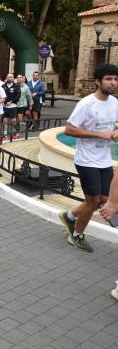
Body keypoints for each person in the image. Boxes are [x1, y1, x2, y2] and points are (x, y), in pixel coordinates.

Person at [58, 63, 118, 253]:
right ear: (97, 82)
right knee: (92, 201)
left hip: (104, 159)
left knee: (105, 198)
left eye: (116, 79)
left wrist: (115, 132)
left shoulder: (115, 103)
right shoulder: (86, 103)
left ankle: (69, 216)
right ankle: (76, 235)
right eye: (108, 79)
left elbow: (114, 126)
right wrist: (100, 135)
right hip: (86, 160)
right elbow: (69, 129)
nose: (113, 83)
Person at [1, 73, 20, 140]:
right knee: (5, 120)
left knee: (13, 121)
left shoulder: (16, 86)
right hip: (5, 106)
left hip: (13, 106)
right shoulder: (3, 86)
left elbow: (18, 96)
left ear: (13, 78)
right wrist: (5, 102)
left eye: (10, 77)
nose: (9, 78)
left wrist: (11, 102)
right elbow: (1, 95)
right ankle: (5, 135)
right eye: (8, 77)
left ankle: (16, 131)